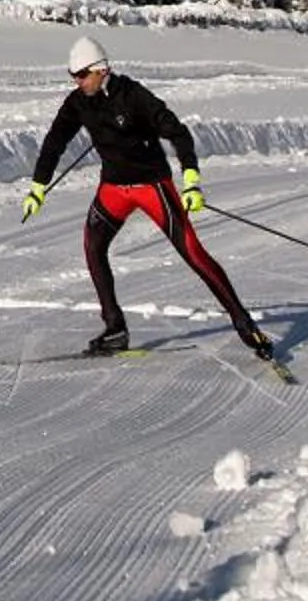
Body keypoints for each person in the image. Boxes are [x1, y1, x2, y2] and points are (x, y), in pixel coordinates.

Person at [20, 34, 276, 359]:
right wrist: (38, 187)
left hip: (151, 187)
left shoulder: (133, 95)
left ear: (101, 70)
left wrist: (192, 180)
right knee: (93, 246)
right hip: (113, 189)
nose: (77, 81)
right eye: (73, 76)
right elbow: (55, 141)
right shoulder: (79, 102)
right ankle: (115, 328)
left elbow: (178, 133)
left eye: (82, 75)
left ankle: (245, 325)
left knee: (194, 254)